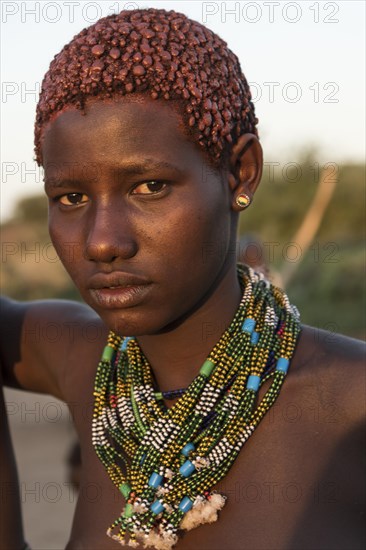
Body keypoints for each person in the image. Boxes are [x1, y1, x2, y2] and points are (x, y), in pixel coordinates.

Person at [2, 7, 365, 550]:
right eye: (71, 198)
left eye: (149, 187)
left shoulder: (350, 409)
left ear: (240, 172)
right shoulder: (84, 363)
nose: (103, 242)